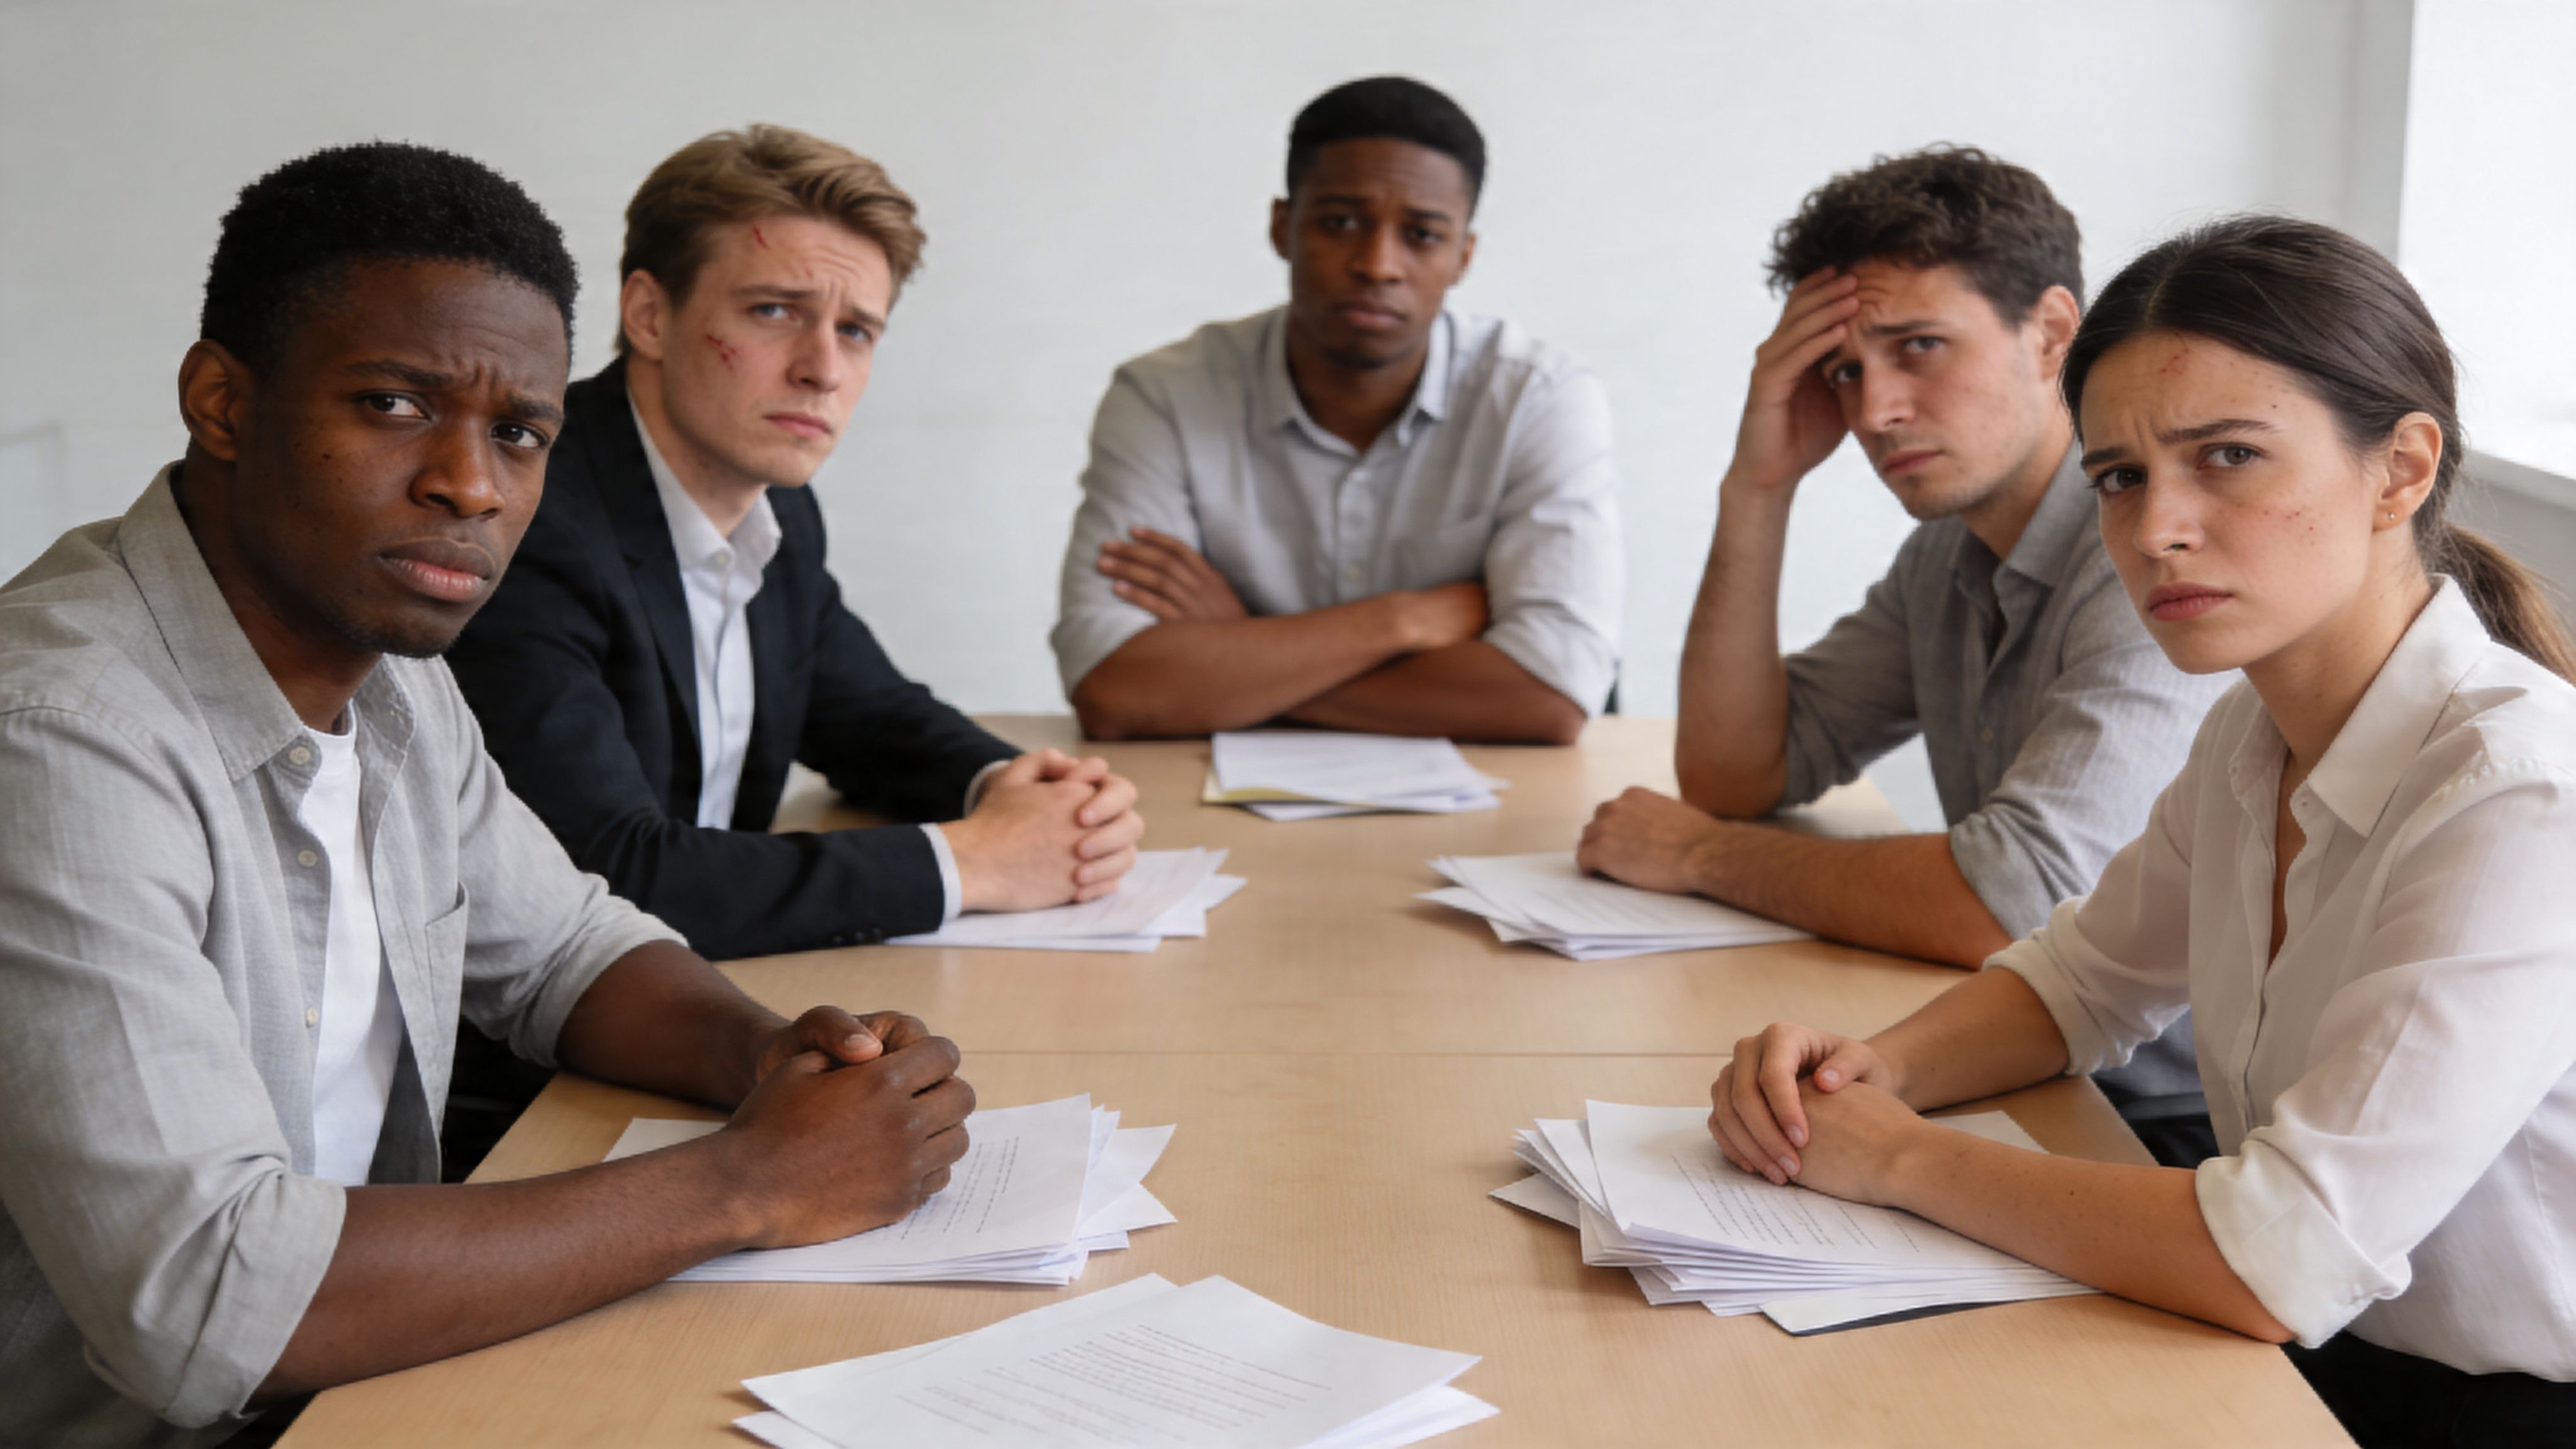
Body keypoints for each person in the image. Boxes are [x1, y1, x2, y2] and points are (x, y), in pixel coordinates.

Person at [0, 143, 974, 1448]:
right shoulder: (58, 735)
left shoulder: (390, 669)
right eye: (396, 405)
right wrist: (749, 1182)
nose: (473, 486)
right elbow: (208, 1302)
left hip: (367, 1382)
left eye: (519, 434)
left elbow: (570, 949)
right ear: (222, 404)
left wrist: (778, 1062)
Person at [1711, 216, 2576, 1446]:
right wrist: (1863, 1075)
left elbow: (2278, 1253)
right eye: (2116, 477)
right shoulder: (2250, 731)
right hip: (2305, 1356)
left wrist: (1892, 1157)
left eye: (2225, 456)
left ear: (2398, 470)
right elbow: (2074, 983)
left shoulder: (2521, 793)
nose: (2154, 528)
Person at [1575, 148, 2230, 1162]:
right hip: (2025, 1079)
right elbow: (1735, 767)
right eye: (1844, 370)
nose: (1872, 410)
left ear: (2053, 333)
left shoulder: (2149, 555)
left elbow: (2012, 895)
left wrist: (1698, 854)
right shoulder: (1950, 550)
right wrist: (1757, 487)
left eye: (1919, 346)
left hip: (2176, 1129)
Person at [448, 125, 1145, 967]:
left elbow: (864, 714)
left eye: (856, 330)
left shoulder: (778, 508)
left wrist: (1022, 789)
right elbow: (604, 877)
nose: (823, 369)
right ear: (650, 315)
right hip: (527, 1072)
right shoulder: (533, 519)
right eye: (775, 311)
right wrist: (977, 861)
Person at [1050, 75, 1622, 744]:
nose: (1378, 264)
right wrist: (1400, 622)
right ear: (1280, 227)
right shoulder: (1165, 397)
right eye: (1340, 223)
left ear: (1463, 256)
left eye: (1421, 235)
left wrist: (1239, 656)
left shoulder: (1538, 398)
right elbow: (1118, 688)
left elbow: (1547, 698)